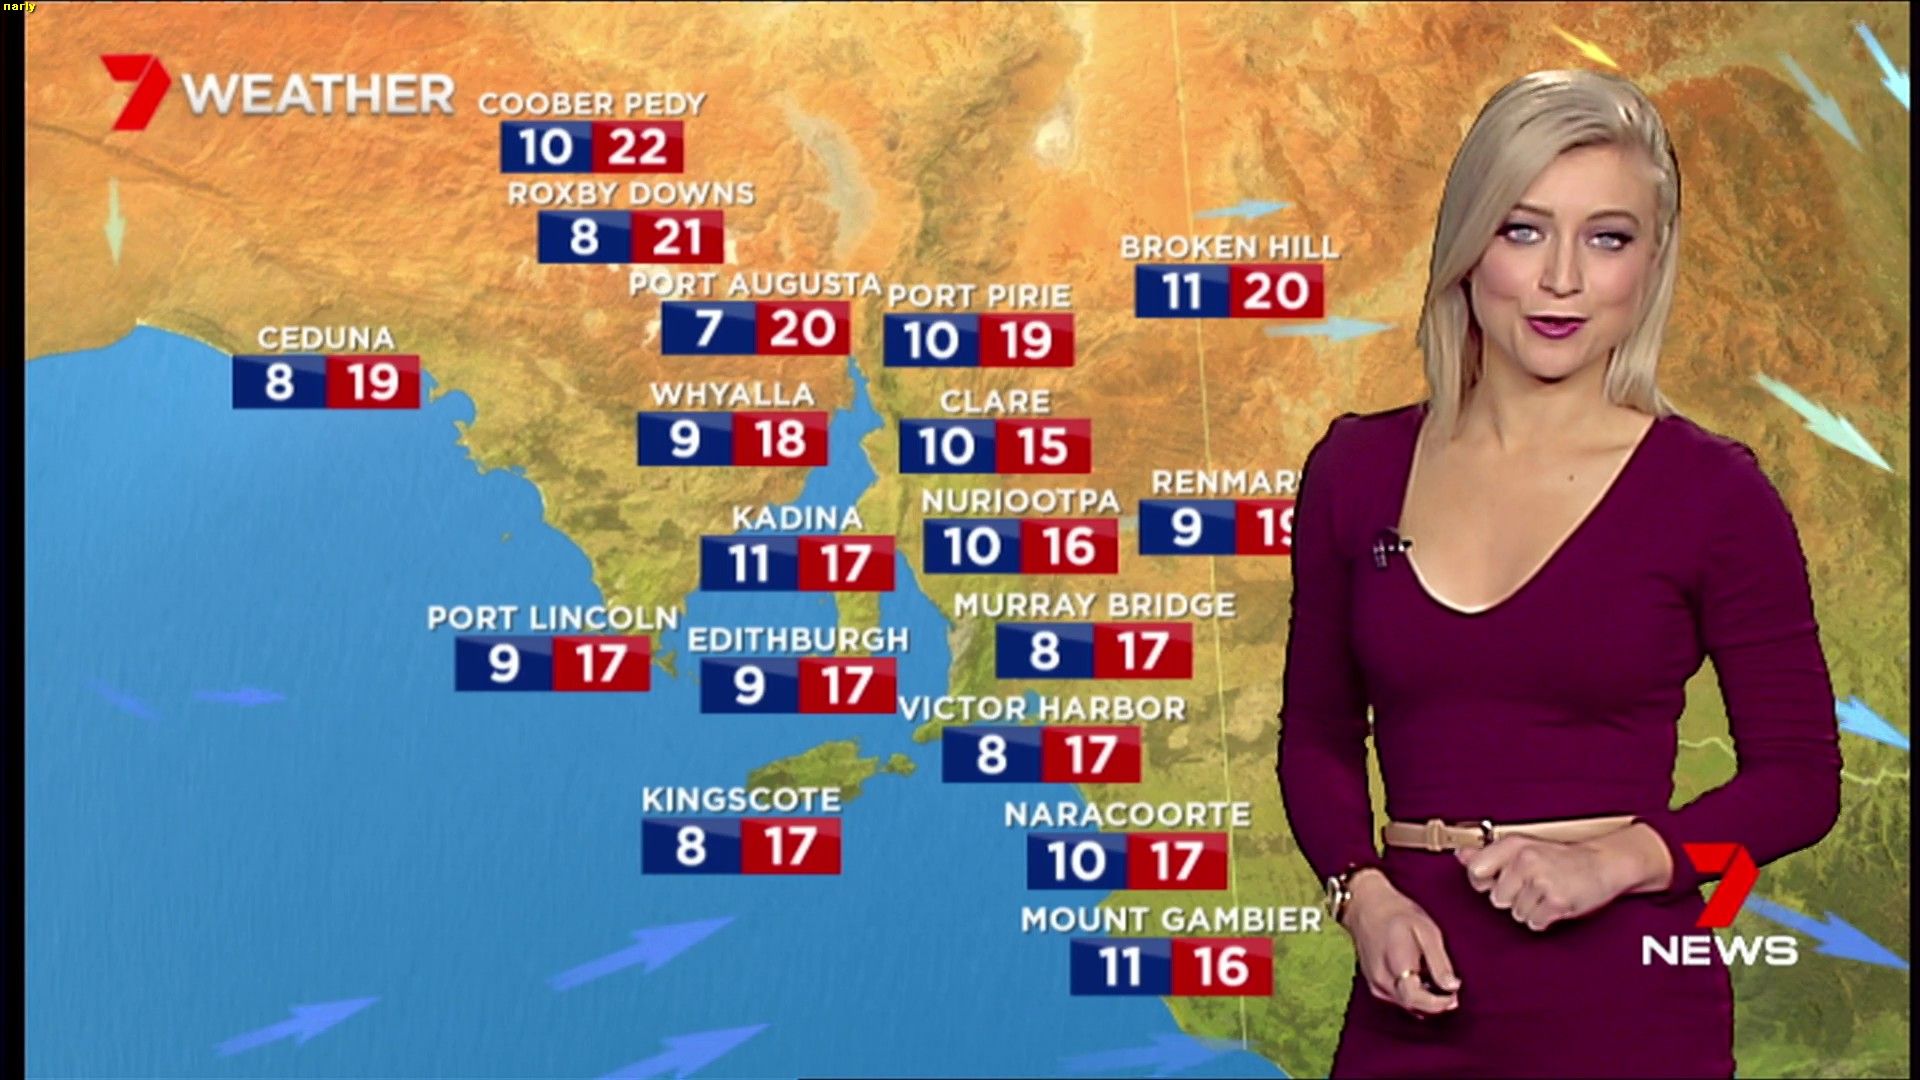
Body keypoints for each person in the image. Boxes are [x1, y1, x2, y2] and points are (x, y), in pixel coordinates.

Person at [1274, 69, 1842, 1079]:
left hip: (1629, 1014)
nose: (1563, 279)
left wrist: (1618, 862)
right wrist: (1361, 894)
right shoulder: (1354, 470)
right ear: (1469, 244)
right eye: (1524, 230)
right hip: (1408, 1012)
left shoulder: (1715, 494)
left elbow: (1800, 780)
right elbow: (1317, 733)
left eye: (1608, 238)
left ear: (1651, 263)